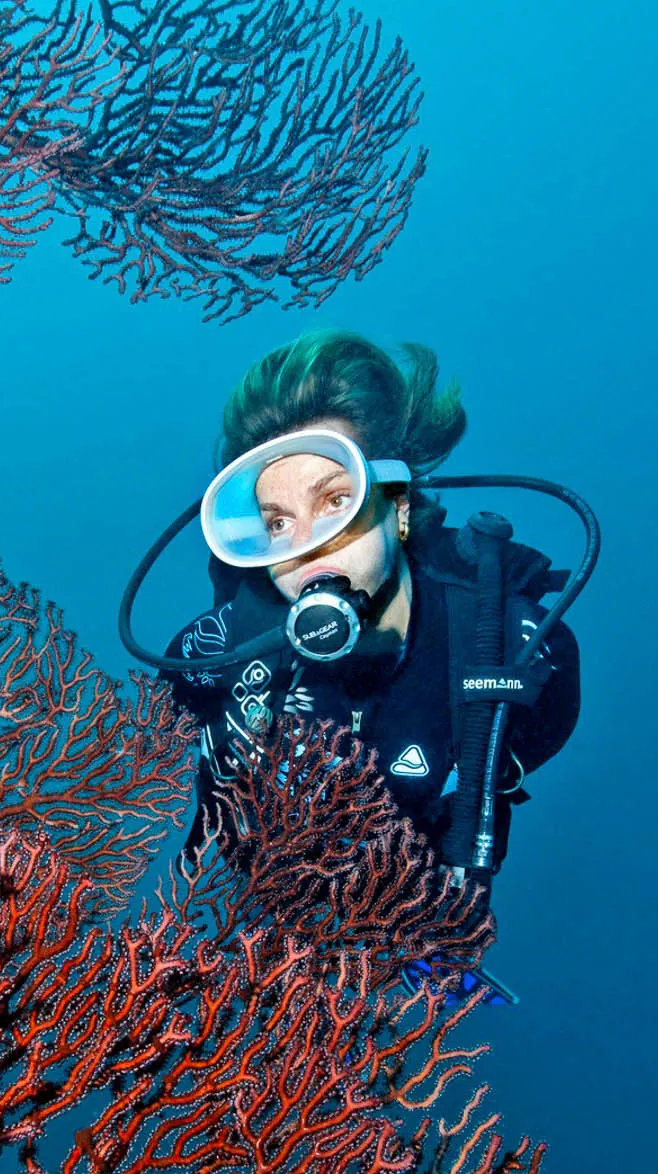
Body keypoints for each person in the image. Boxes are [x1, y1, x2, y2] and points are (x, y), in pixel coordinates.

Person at [163, 331, 582, 882]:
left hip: (409, 909)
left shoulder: (515, 651)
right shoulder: (212, 655)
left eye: (335, 500)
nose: (306, 546)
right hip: (248, 909)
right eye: (278, 522)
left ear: (397, 507)